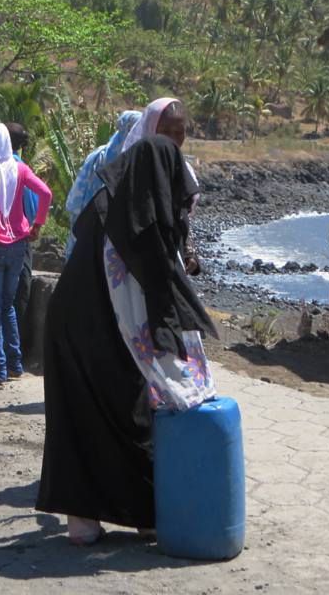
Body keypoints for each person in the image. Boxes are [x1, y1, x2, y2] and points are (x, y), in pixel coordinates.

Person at [36, 135, 217, 545]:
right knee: (132, 417)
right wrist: (185, 383)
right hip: (100, 328)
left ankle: (83, 523)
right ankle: (146, 514)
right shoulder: (141, 222)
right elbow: (141, 311)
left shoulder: (110, 201)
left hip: (69, 325)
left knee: (79, 419)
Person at [0, 124, 52, 387]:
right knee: (7, 306)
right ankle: (15, 363)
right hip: (19, 243)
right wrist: (37, 224)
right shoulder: (20, 169)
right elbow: (46, 193)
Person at [123, 98, 201, 274]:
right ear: (151, 128)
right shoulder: (129, 170)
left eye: (179, 132)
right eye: (165, 131)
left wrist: (189, 252)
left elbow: (181, 217)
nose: (172, 140)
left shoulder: (183, 171)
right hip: (131, 267)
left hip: (169, 262)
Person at [65, 111, 142, 258]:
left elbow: (78, 193)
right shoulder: (127, 158)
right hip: (99, 224)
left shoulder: (101, 154)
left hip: (89, 221)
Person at [7, 122, 38, 341]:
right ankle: (15, 350)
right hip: (21, 239)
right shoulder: (23, 169)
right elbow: (35, 205)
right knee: (18, 294)